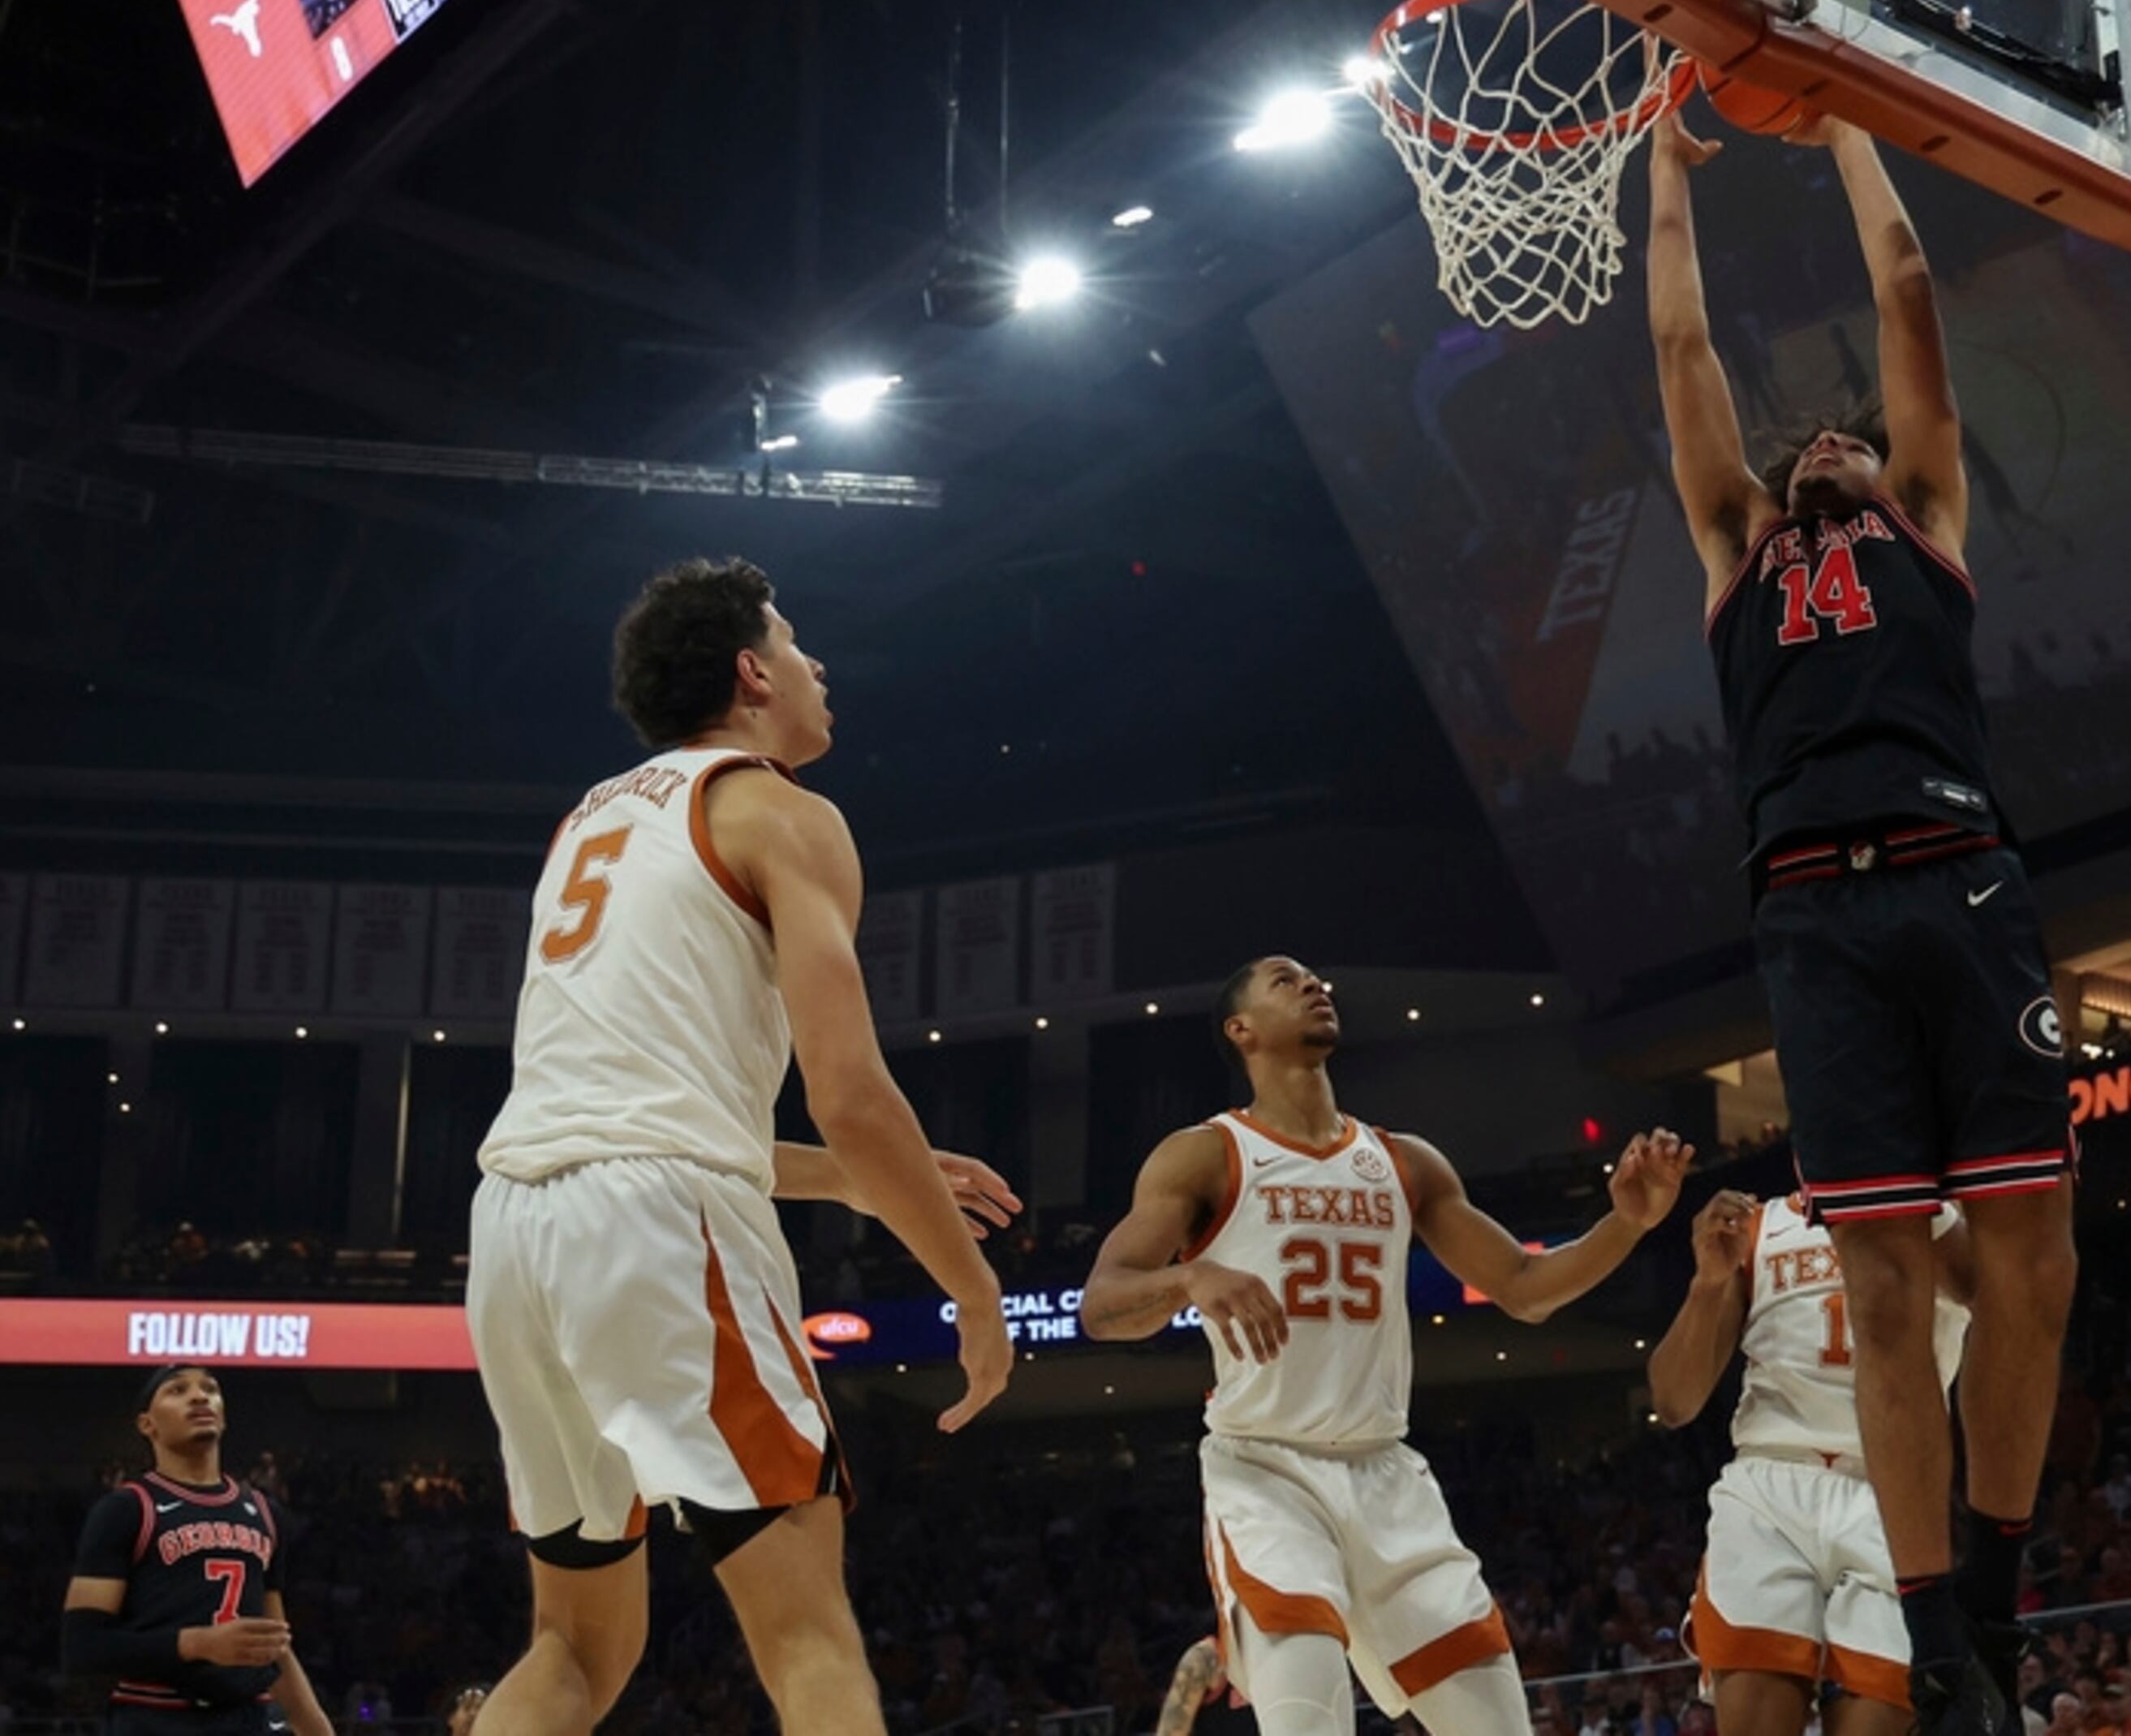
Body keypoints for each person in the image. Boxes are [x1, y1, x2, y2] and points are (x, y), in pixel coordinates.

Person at [1643, 98, 2079, 1736]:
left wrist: (1841, 128)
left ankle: (1997, 1589)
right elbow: (1681, 348)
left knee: (2030, 1268)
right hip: (1815, 920)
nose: (1825, 437)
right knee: (1888, 1284)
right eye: (1806, 438)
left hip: (1961, 877)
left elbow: (1904, 281)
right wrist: (1664, 179)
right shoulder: (1734, 548)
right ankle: (1937, 1636)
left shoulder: (1929, 521)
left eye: (1847, 436)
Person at [465, 558, 1018, 1736]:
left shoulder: (591, 819)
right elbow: (852, 1098)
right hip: (663, 1226)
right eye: (799, 645)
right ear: (753, 673)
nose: (821, 670)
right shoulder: (781, 810)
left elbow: (651, 1104)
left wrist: (869, 1194)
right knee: (807, 1631)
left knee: (573, 1647)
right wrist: (972, 1291)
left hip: (514, 1225)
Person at [1081, 954, 1692, 1736]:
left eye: (1315, 979)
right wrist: (1192, 1276)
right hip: (1267, 1471)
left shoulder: (1404, 1161)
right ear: (1241, 1031)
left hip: (1387, 1474)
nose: (1314, 986)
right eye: (1284, 979)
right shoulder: (1205, 1153)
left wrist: (1627, 1225)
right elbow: (1104, 1305)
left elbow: (1526, 1290)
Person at [1647, 1187, 1974, 1736]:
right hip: (1769, 1484)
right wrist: (1707, 1282)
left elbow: (1994, 1296)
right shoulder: (1758, 1226)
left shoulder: (1941, 1214)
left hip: (1891, 1491)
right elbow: (1674, 1402)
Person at [60, 1366, 338, 1736]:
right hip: (156, 1716)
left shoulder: (266, 1513)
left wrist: (316, 1727)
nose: (198, 1396)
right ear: (147, 1425)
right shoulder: (127, 1508)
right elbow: (83, 1648)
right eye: (177, 1390)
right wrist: (197, 1643)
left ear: (223, 1416)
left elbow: (272, 1645)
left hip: (248, 1717)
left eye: (210, 1389)